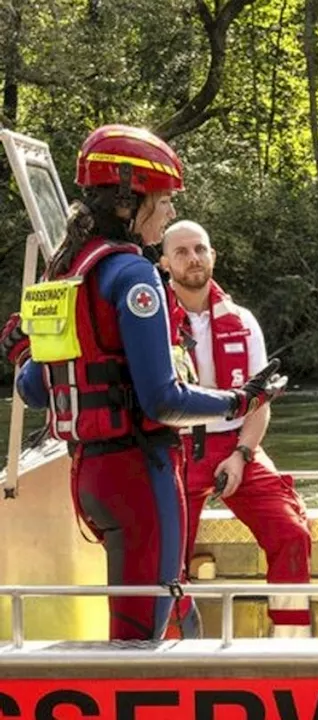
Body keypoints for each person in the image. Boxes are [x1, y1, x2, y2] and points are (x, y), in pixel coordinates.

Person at [0, 125, 287, 641]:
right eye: (164, 201)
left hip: (90, 475)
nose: (171, 212)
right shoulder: (135, 277)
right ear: (131, 202)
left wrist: (21, 352)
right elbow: (164, 398)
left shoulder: (67, 271)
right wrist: (243, 399)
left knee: (165, 615)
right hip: (139, 474)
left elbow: (37, 389)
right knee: (141, 640)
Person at [161, 220, 313, 638]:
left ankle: (290, 643)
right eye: (181, 252)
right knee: (165, 560)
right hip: (174, 449)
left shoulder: (243, 321)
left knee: (291, 531)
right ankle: (175, 651)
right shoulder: (151, 321)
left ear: (213, 256)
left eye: (200, 249)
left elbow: (259, 403)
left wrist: (242, 455)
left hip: (236, 445)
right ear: (165, 262)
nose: (193, 258)